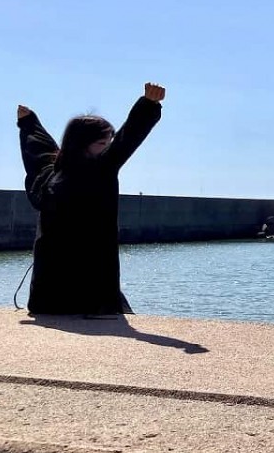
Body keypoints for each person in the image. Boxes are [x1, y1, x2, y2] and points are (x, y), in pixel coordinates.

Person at [17, 83, 166, 315]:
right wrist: (148, 104)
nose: (107, 148)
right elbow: (127, 139)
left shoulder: (49, 175)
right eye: (102, 144)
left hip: (48, 295)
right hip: (94, 293)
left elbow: (38, 149)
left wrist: (28, 122)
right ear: (81, 145)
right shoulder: (101, 170)